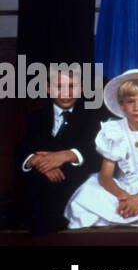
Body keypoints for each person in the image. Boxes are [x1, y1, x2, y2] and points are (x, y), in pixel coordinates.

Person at [65, 69, 138, 228]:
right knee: (87, 193)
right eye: (130, 101)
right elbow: (105, 176)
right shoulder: (114, 130)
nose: (137, 107)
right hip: (122, 187)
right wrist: (123, 197)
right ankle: (129, 211)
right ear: (122, 105)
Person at [16, 67, 101, 234]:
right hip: (41, 179)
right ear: (48, 88)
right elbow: (22, 148)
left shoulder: (93, 115)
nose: (66, 93)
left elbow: (96, 152)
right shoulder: (36, 116)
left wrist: (67, 155)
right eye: (59, 86)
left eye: (72, 86)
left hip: (75, 178)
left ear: (81, 87)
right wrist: (38, 162)